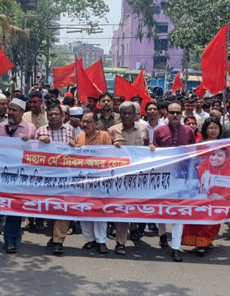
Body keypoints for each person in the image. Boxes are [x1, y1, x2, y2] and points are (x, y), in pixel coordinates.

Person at [108, 102, 153, 256]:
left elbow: (148, 145)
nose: (127, 116)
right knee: (122, 208)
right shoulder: (112, 131)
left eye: (130, 113)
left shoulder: (143, 129)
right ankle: (120, 242)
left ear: (135, 114)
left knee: (135, 205)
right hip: (120, 177)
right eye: (124, 113)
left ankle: (133, 228)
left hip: (139, 176)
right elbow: (104, 154)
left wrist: (152, 147)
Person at [153, 101, 196, 262]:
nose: (175, 115)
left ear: (182, 113)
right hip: (163, 177)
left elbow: (194, 153)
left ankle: (176, 247)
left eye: (178, 112)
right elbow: (154, 154)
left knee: (178, 213)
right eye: (172, 112)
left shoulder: (189, 131)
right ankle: (162, 234)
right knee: (162, 208)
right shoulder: (159, 131)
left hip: (182, 177)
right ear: (167, 113)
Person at [0, 98, 37, 253]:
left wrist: (32, 143)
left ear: (21, 112)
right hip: (1, 173)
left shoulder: (30, 129)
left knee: (14, 207)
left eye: (14, 110)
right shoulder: (0, 128)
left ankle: (10, 239)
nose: (10, 112)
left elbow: (38, 150)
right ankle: (5, 228)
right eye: (9, 109)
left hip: (20, 174)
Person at [181, 118, 226, 255]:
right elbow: (191, 163)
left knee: (213, 214)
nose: (213, 130)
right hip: (199, 183)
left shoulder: (225, 145)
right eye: (210, 128)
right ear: (205, 129)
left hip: (218, 184)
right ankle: (196, 240)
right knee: (198, 212)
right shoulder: (198, 145)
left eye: (216, 128)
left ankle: (205, 242)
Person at [70, 110, 112, 254]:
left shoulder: (105, 136)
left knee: (99, 211)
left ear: (96, 123)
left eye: (88, 122)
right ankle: (90, 240)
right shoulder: (80, 137)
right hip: (83, 180)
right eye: (83, 121)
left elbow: (110, 157)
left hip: (100, 179)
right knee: (85, 210)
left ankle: (101, 241)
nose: (85, 124)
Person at [37, 102, 76, 255]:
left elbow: (79, 150)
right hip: (46, 175)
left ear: (63, 116)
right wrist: (40, 142)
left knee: (62, 207)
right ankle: (53, 237)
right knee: (50, 207)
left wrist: (74, 145)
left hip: (65, 175)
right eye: (50, 114)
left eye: (56, 114)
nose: (53, 116)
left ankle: (59, 241)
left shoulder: (70, 130)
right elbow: (32, 153)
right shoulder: (41, 131)